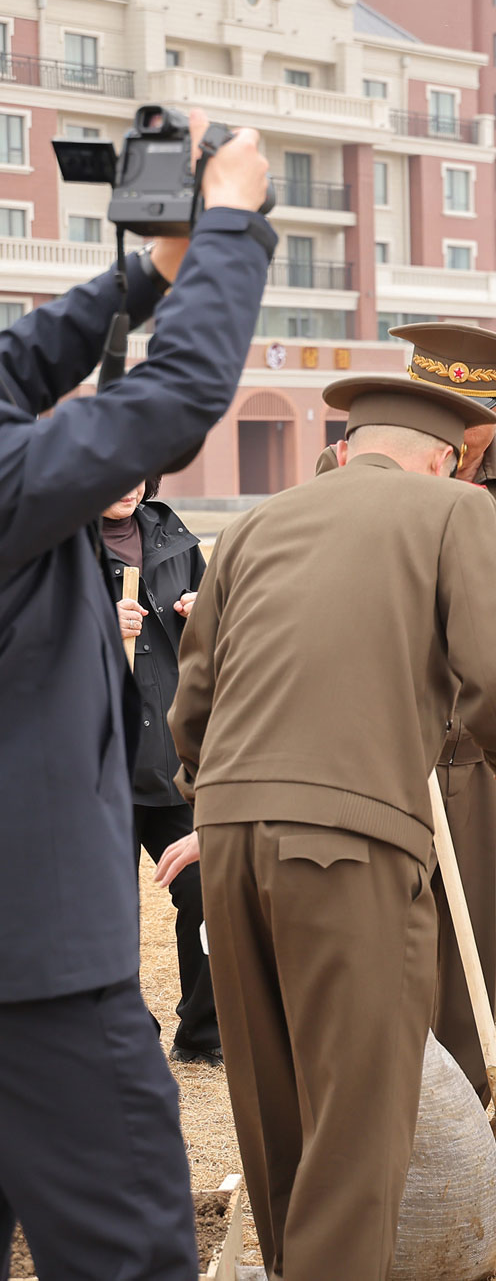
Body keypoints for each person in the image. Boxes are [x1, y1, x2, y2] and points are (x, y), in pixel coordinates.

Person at [170, 373, 496, 1281]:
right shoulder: (457, 509)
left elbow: (194, 693)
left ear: (345, 449)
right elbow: (493, 671)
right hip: (349, 844)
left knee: (273, 1105)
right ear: (443, 460)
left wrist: (213, 792)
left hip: (229, 832)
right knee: (358, 1120)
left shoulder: (255, 521)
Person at [0, 113, 271, 1281]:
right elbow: (174, 400)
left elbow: (19, 365)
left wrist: (152, 269)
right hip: (37, 970)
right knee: (129, 1250)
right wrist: (232, 224)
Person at [314, 322, 496, 1101]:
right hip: (384, 738)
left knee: (475, 933)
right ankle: (378, 1095)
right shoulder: (358, 465)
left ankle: (468, 1104)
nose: (450, 437)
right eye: (437, 411)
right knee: (380, 921)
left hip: (481, 743)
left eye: (468, 420)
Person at [98, 479, 219, 1066]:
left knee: (209, 892)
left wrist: (205, 616)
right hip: (99, 766)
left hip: (175, 758)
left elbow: (221, 635)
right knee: (104, 912)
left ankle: (204, 1031)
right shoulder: (48, 546)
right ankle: (123, 1038)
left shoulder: (174, 537)